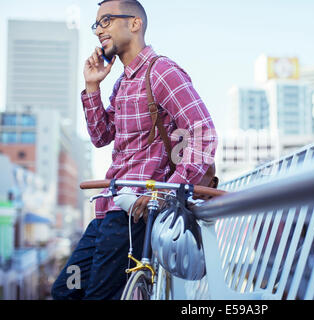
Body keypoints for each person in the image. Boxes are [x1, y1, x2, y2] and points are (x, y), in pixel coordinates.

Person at [51, 0, 217, 300]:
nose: (99, 30)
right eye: (96, 24)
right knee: (66, 289)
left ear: (134, 23)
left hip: (134, 216)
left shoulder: (162, 71)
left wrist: (166, 192)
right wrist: (92, 88)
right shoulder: (122, 83)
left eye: (106, 21)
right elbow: (101, 136)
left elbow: (202, 132)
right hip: (108, 208)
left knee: (99, 296)